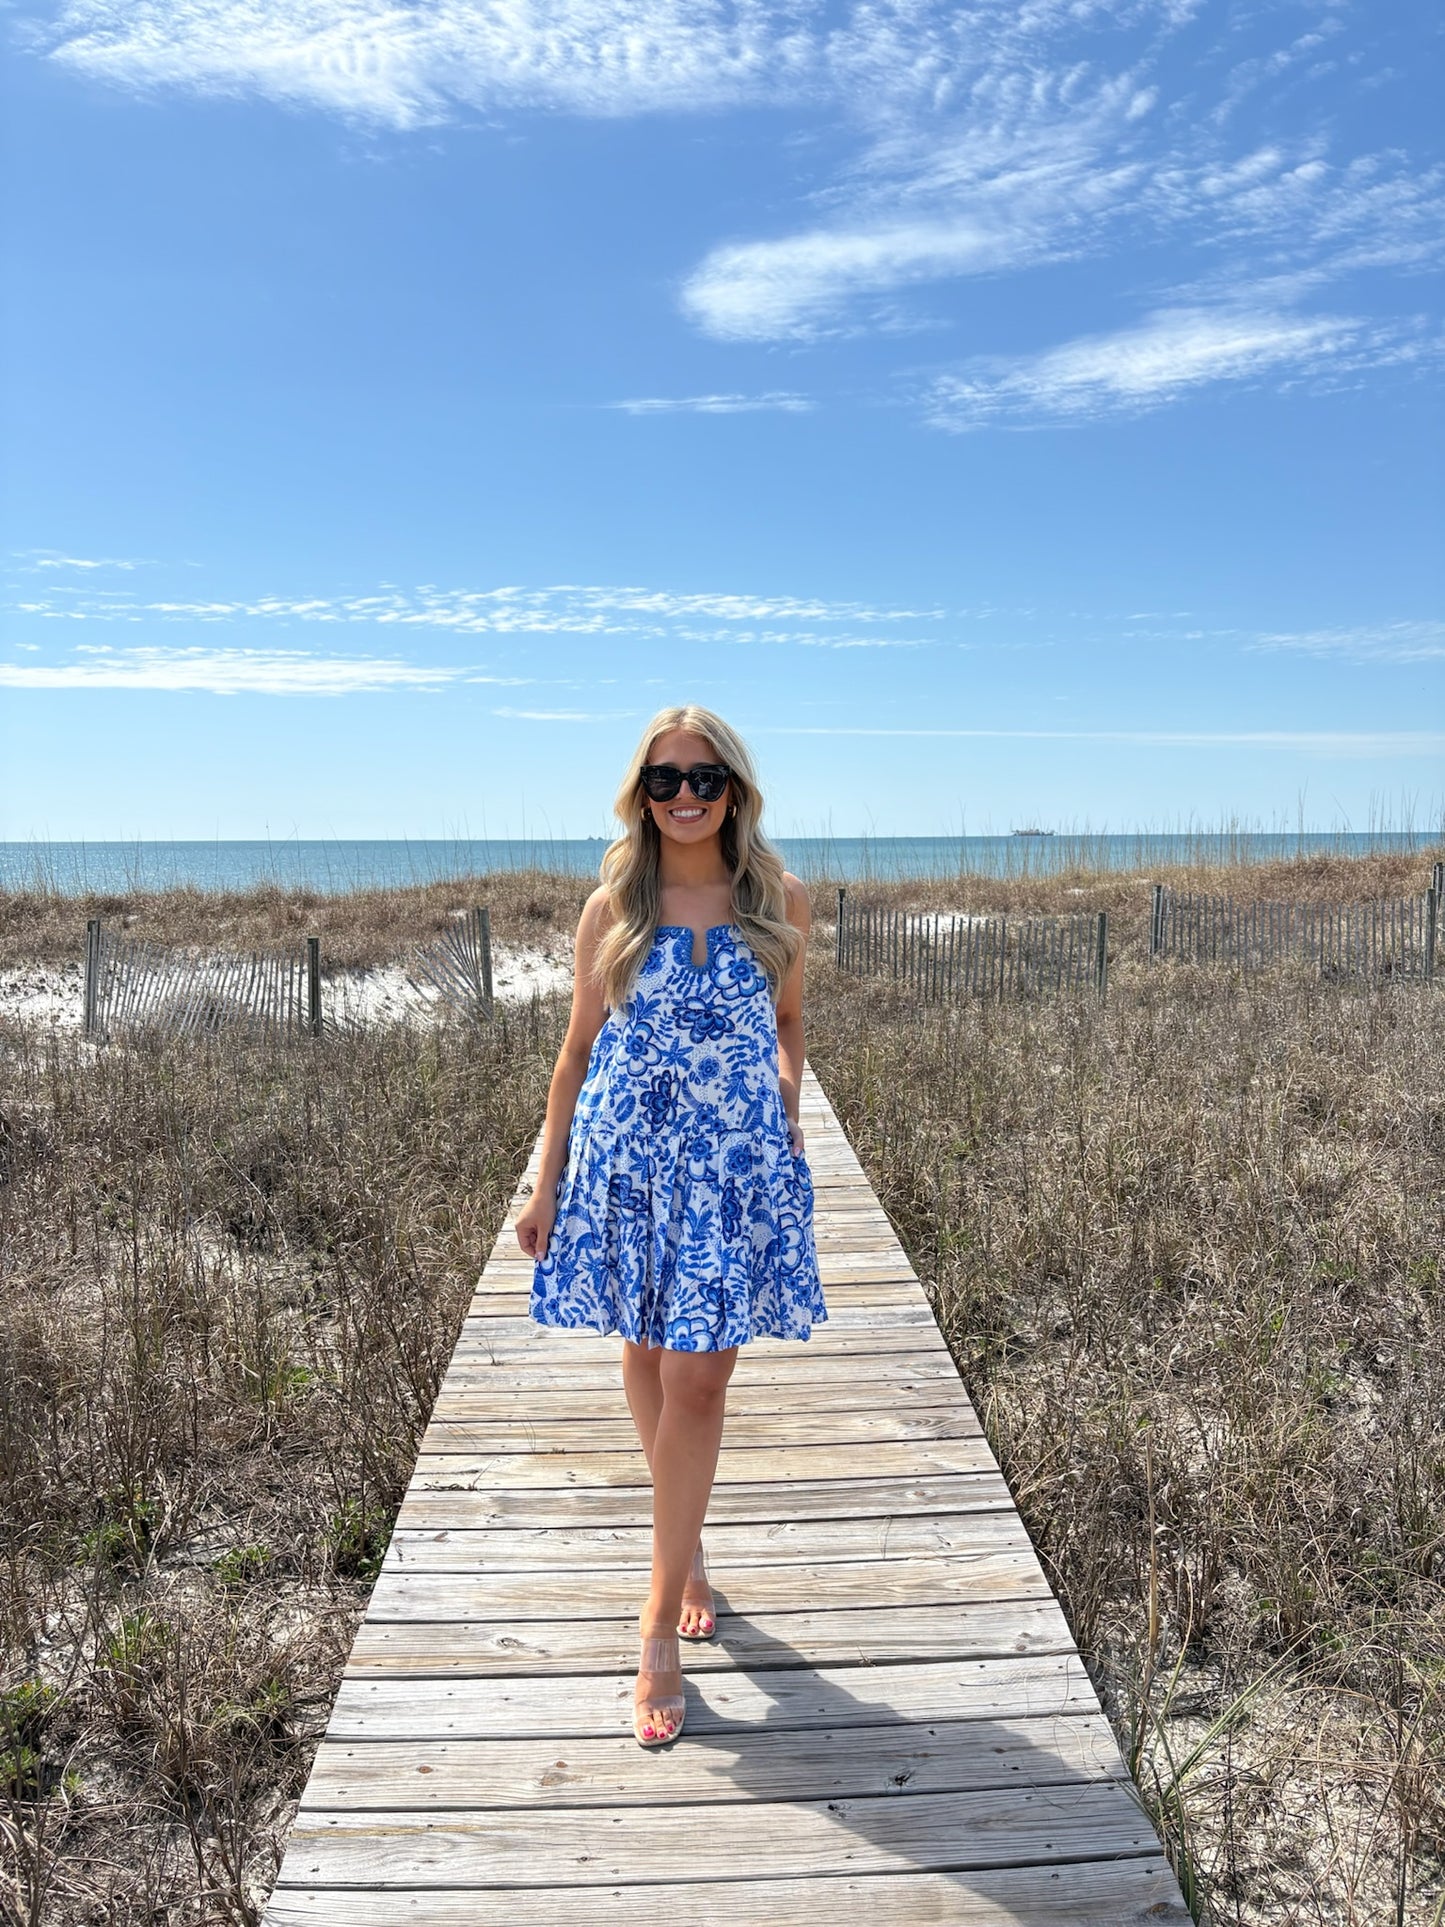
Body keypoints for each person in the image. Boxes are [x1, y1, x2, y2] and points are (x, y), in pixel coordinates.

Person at [515, 703, 825, 1747]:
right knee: (645, 1349)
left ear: (733, 790)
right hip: (629, 1158)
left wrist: (781, 1102)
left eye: (703, 779)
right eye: (663, 780)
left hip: (732, 1166)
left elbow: (786, 1023)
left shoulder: (777, 901)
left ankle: (653, 1620)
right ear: (639, 795)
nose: (684, 796)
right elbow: (573, 1054)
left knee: (703, 1374)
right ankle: (682, 1552)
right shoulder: (612, 907)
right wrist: (543, 1183)